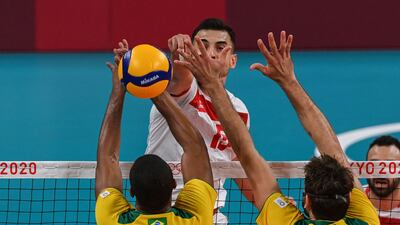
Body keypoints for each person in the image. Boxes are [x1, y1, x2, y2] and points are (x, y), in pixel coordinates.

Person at [175, 31, 380, 224]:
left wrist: (212, 85)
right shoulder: (366, 220)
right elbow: (333, 148)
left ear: (307, 200)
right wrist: (289, 82)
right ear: (350, 196)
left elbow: (247, 153)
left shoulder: (284, 219)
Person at [113, 18, 252, 224]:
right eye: (202, 46)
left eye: (220, 47)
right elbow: (180, 77)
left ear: (233, 60)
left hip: (210, 215)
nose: (210, 53)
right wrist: (178, 53)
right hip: (162, 210)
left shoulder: (239, 110)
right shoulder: (182, 92)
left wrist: (270, 201)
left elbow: (237, 166)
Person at [95, 61, 217, 225]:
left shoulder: (114, 221)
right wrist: (154, 88)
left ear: (132, 191)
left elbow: (107, 157)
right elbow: (195, 147)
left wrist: (119, 89)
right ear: (174, 185)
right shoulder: (195, 219)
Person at [365, 135, 400, 225]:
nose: (381, 173)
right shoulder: (352, 200)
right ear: (365, 168)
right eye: (374, 165)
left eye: (390, 166)